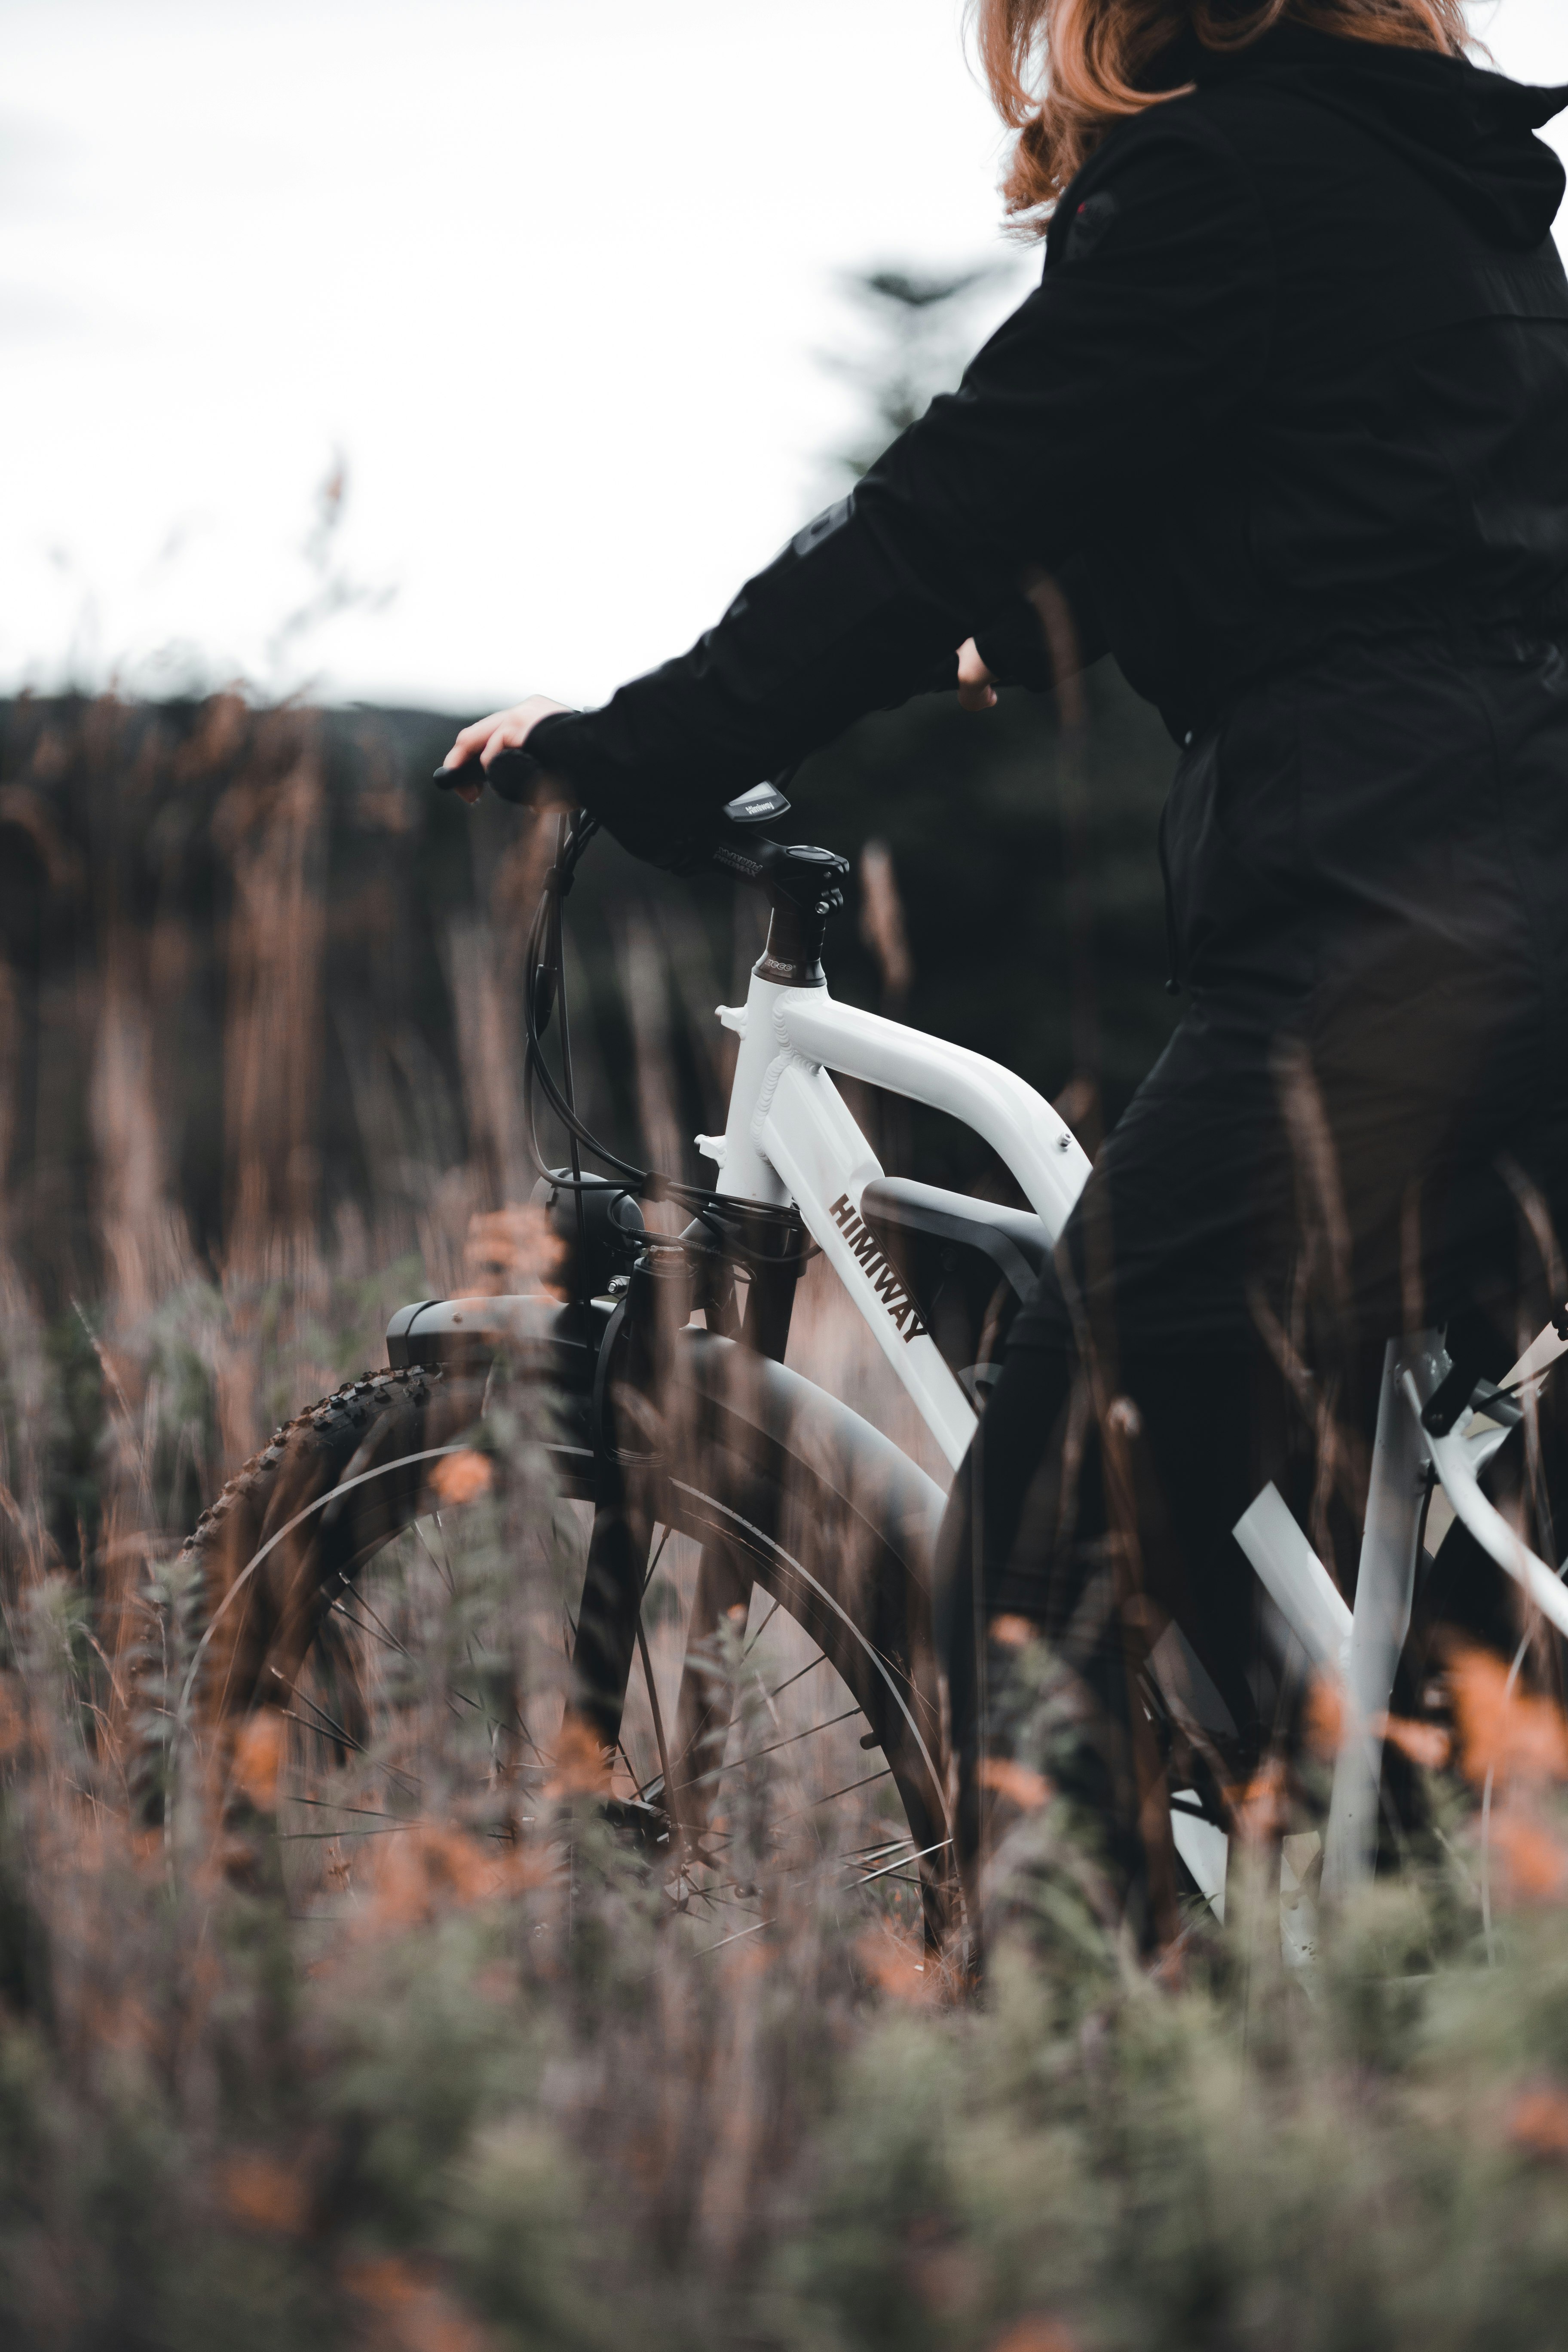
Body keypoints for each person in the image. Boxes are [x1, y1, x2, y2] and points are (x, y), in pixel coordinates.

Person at [442, 0, 1568, 1945]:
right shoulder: (1440, 178)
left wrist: (640, 748)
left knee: (1032, 1558)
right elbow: (1369, 501)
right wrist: (1047, 639)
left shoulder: (1216, 177)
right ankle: (1389, 2008)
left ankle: (1130, 2128)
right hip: (1511, 895)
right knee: (1354, 1563)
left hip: (1390, 930)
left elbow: (944, 514)